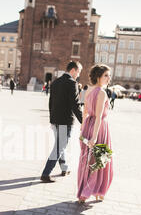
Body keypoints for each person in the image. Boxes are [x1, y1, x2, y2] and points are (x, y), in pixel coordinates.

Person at [40, 61, 83, 183]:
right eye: (78, 72)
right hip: (65, 121)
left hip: (55, 120)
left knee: (60, 145)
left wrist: (51, 119)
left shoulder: (55, 82)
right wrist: (83, 121)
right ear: (73, 70)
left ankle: (64, 168)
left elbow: (50, 103)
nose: (78, 75)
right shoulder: (72, 83)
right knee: (60, 146)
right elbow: (75, 105)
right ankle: (46, 173)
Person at [77, 64, 113, 204]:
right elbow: (98, 116)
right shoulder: (102, 92)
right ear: (98, 77)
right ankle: (97, 191)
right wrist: (95, 136)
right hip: (99, 128)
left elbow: (85, 112)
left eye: (109, 75)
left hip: (88, 125)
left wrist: (83, 129)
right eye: (106, 75)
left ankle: (83, 193)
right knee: (99, 159)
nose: (108, 78)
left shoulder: (89, 90)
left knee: (87, 160)